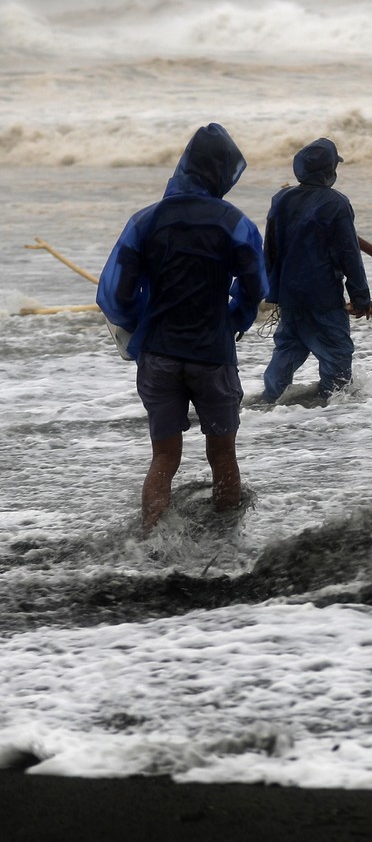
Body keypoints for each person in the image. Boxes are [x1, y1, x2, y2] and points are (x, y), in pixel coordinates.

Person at [97, 124, 268, 535]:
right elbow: (255, 288)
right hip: (212, 354)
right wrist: (234, 320)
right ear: (223, 172)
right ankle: (226, 544)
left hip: (159, 355)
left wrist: (144, 325)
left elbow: (115, 294)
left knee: (164, 458)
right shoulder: (235, 223)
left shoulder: (145, 220)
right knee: (222, 454)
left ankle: (150, 540)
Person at [259, 138, 370, 404]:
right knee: (337, 354)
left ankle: (268, 403)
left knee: (287, 348)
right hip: (323, 296)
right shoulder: (336, 203)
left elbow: (270, 249)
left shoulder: (281, 200)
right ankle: (333, 408)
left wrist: (271, 287)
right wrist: (360, 297)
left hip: (289, 294)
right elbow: (348, 254)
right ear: (329, 170)